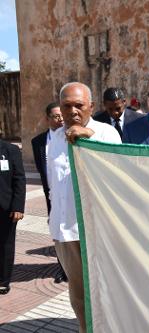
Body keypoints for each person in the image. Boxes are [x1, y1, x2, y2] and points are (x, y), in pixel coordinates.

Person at [47, 82, 121, 332]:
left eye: (79, 105)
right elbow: (54, 187)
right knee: (77, 293)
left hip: (97, 230)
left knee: (105, 291)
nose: (73, 111)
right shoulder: (54, 139)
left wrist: (91, 140)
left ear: (91, 106)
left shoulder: (106, 134)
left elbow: (117, 176)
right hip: (65, 230)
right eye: (67, 106)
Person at [31, 102, 67, 283]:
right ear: (47, 119)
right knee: (56, 232)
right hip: (51, 195)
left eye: (62, 115)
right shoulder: (37, 142)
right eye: (56, 116)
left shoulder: (71, 136)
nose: (61, 119)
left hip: (69, 193)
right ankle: (62, 269)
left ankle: (73, 269)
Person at [0, 140, 26, 295]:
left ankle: (3, 280)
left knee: (5, 244)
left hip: (5, 207)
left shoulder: (10, 150)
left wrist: (17, 206)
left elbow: (19, 178)